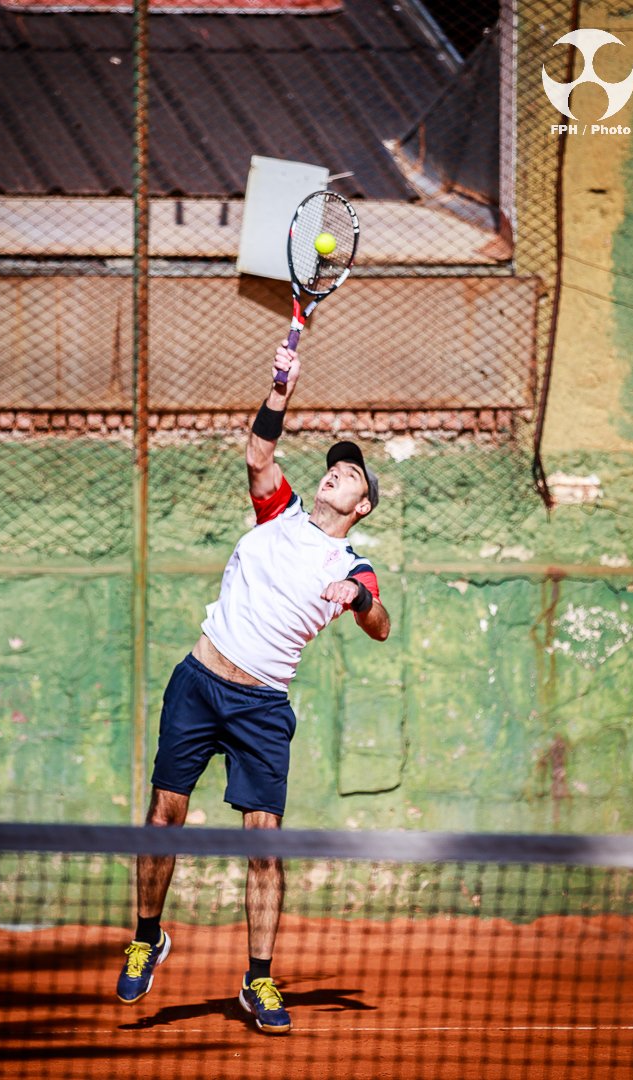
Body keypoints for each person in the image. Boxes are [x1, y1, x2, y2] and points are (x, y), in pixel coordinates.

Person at [116, 340, 391, 1034]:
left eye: (350, 474)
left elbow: (381, 622)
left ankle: (258, 982)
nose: (336, 475)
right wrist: (280, 389)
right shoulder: (280, 513)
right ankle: (148, 936)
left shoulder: (353, 563)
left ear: (362, 506)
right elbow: (258, 456)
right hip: (200, 680)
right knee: (163, 819)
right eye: (334, 468)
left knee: (262, 846)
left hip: (263, 707)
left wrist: (356, 600)